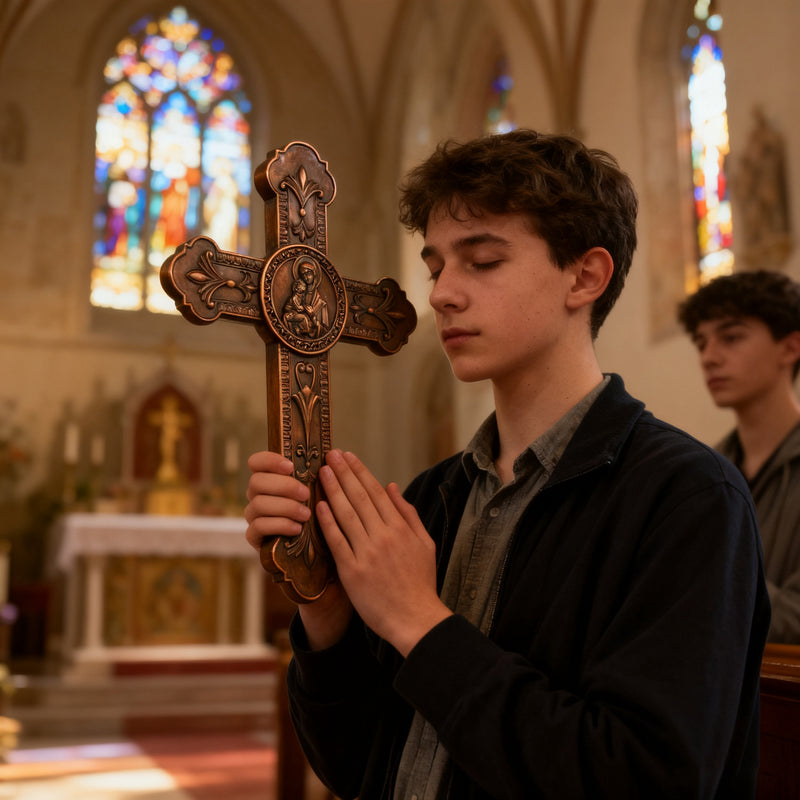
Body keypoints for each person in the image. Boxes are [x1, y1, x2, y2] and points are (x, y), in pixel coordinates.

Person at [245, 129, 770, 799]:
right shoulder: (436, 497)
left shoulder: (688, 497)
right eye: (437, 267)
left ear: (585, 275)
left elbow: (643, 778)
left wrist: (417, 621)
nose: (442, 294)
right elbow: (359, 766)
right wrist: (329, 613)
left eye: (483, 261)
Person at [678, 269, 800, 644]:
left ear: (790, 348)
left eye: (731, 337)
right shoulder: (701, 473)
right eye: (701, 344)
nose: (709, 357)